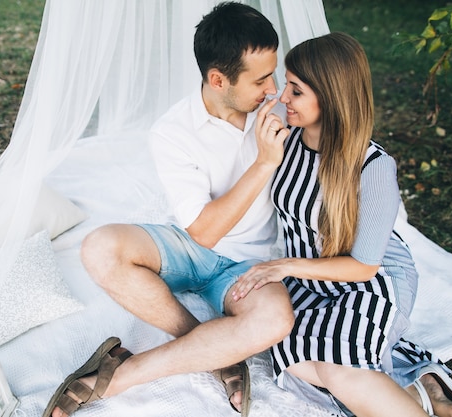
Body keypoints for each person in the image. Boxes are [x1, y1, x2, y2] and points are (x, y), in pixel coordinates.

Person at [42, 3, 294, 417]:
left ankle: (121, 373)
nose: (274, 89)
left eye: (274, 73)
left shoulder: (281, 112)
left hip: (251, 263)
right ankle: (214, 350)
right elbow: (202, 233)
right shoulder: (173, 132)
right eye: (261, 79)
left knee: (273, 322)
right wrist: (264, 162)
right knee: (100, 247)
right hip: (189, 246)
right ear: (218, 79)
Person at [231, 32, 452, 417]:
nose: (283, 98)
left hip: (370, 280)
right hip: (310, 284)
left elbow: (365, 265)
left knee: (339, 369)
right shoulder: (287, 139)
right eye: (287, 84)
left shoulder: (373, 166)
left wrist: (283, 266)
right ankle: (423, 385)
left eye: (296, 91)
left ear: (331, 96)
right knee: (295, 364)